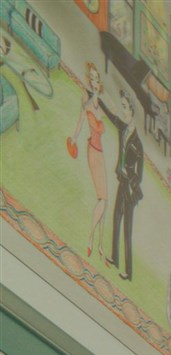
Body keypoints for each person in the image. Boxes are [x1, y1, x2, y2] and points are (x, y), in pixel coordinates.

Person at [65, 68, 111, 258]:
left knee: (105, 200)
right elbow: (80, 121)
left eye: (96, 77)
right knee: (103, 199)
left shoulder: (100, 103)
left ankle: (100, 245)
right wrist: (74, 139)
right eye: (91, 77)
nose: (94, 80)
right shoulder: (88, 102)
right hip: (93, 151)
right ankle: (91, 238)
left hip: (100, 153)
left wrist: (100, 95)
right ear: (89, 80)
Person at [108, 110, 141, 280]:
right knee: (116, 218)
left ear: (131, 112)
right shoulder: (123, 129)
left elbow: (139, 175)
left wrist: (130, 180)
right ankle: (114, 258)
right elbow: (113, 117)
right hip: (122, 183)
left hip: (130, 190)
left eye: (125, 108)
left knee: (127, 230)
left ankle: (129, 273)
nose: (123, 111)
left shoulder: (138, 144)